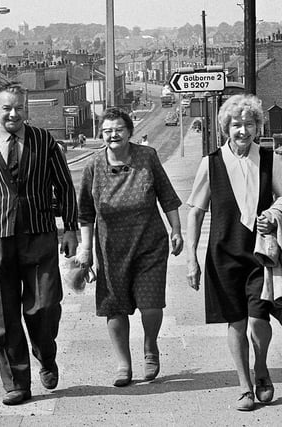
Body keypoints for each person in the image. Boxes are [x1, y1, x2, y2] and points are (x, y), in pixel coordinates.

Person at [0, 82, 79, 406]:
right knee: (6, 315)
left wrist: (70, 228)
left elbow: (64, 187)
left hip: (40, 234)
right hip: (0, 238)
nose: (13, 114)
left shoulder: (44, 141)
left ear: (27, 109)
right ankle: (17, 383)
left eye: (19, 108)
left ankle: (46, 355)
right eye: (7, 108)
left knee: (45, 305)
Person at [185, 94, 282, 411]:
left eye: (249, 124)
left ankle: (261, 367)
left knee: (259, 321)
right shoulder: (211, 163)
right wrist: (191, 258)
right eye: (236, 125)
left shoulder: (269, 159)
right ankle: (245, 385)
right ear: (226, 128)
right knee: (235, 323)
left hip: (260, 255)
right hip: (223, 254)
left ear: (257, 127)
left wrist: (273, 215)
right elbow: (195, 211)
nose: (243, 131)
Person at [76, 107, 183, 387]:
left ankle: (150, 346)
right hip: (111, 248)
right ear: (101, 134)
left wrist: (177, 230)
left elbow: (167, 196)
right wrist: (86, 250)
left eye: (119, 129)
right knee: (115, 306)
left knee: (150, 304)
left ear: (129, 131)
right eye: (108, 130)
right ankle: (124, 365)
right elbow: (85, 213)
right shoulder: (93, 165)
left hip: (149, 243)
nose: (113, 135)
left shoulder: (147, 157)